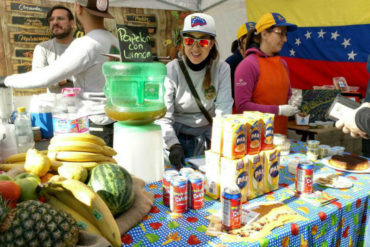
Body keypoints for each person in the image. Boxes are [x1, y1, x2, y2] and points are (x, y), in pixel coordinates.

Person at [4, 0, 119, 147]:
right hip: (114, 119)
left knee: (97, 169)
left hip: (94, 124)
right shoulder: (114, 40)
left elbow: (45, 77)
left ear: (78, 8)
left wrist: (7, 80)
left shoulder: (86, 43)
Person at [156, 13, 233, 169]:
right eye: (189, 41)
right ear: (183, 42)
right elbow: (163, 116)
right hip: (175, 139)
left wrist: (218, 147)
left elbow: (223, 114)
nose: (195, 48)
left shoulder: (222, 69)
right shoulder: (171, 70)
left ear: (211, 44)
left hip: (206, 141)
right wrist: (173, 145)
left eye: (203, 42)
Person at [234, 12, 299, 135]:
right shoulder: (248, 65)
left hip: (280, 136)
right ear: (264, 34)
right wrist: (278, 110)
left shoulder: (283, 64)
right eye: (280, 33)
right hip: (254, 139)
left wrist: (295, 102)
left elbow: (288, 96)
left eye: (285, 34)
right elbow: (242, 105)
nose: (285, 39)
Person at [32, 5, 75, 93]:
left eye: (60, 18)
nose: (55, 22)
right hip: (55, 104)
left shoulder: (84, 46)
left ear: (72, 23)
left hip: (82, 103)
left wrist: (54, 76)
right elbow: (38, 77)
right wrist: (66, 79)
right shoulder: (42, 48)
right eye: (51, 19)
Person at [225, 22, 256, 98]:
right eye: (250, 39)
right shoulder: (230, 64)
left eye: (258, 38)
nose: (255, 43)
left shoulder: (260, 61)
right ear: (241, 40)